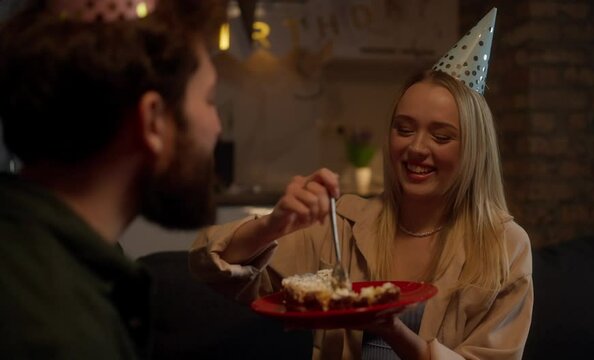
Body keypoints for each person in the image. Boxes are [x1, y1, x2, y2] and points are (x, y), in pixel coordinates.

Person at [189, 8, 532, 360]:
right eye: (404, 129)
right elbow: (210, 265)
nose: (416, 148)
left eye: (441, 136)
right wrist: (273, 225)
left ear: (474, 151)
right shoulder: (344, 226)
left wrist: (393, 330)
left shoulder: (505, 248)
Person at [0, 0, 221, 358]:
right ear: (153, 121)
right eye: (210, 100)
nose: (217, 127)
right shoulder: (60, 331)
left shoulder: (35, 257)